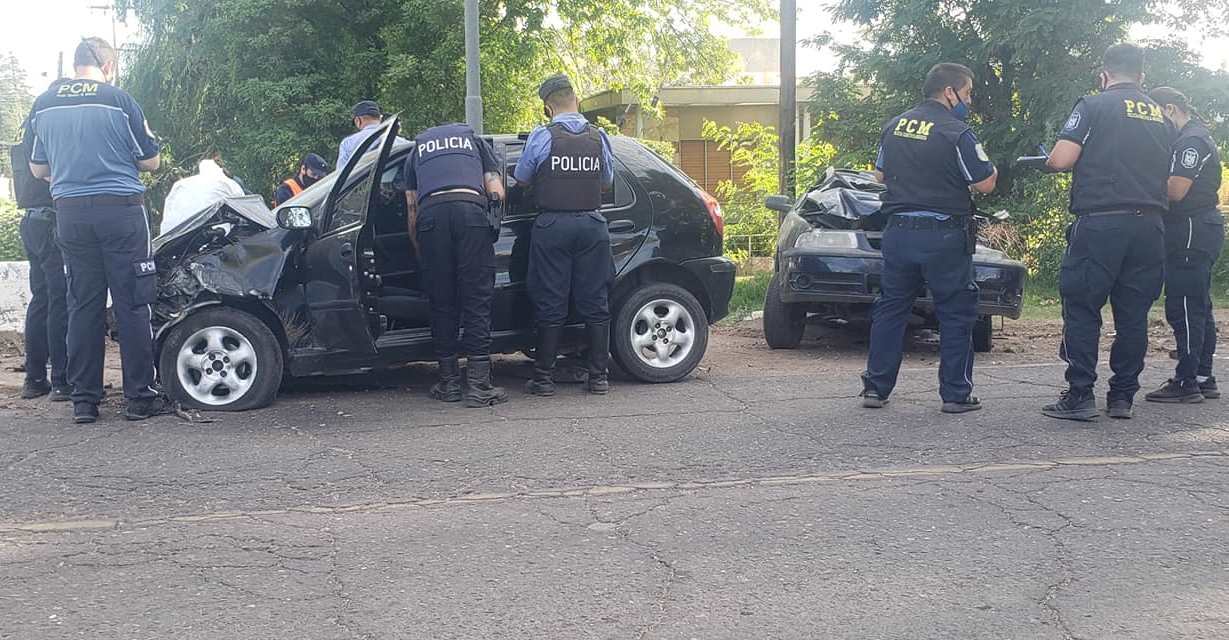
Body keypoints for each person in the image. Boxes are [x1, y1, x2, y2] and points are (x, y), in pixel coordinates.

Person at [27, 37, 168, 424]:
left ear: (75, 65)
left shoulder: (45, 103)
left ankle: (84, 401)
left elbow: (38, 169)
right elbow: (150, 160)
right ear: (108, 66)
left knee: (83, 306)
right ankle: (140, 397)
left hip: (70, 214)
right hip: (121, 213)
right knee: (133, 304)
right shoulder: (119, 100)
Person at [1041, 43, 1171, 421]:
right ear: (1142, 76)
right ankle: (1122, 398)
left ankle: (1080, 395)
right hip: (1150, 225)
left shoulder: (1094, 105)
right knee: (1133, 313)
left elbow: (1061, 159)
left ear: (1104, 74)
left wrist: (1048, 162)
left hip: (1101, 220)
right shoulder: (1160, 115)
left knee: (1082, 307)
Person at [859, 63, 998, 414]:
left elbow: (879, 174)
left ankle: (876, 389)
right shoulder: (956, 131)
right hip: (944, 235)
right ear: (949, 92)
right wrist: (993, 168)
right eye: (966, 93)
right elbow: (984, 183)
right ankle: (955, 394)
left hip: (899, 232)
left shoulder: (896, 125)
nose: (968, 100)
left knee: (891, 308)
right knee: (955, 312)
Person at [513, 74, 616, 397]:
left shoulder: (542, 136)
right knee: (596, 304)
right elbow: (607, 182)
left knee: (550, 302)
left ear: (547, 107)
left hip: (552, 226)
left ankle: (543, 378)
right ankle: (598, 378)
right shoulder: (599, 137)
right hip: (591, 225)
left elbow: (523, 178)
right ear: (576, 99)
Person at [401, 123, 508, 407]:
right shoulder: (474, 142)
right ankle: (478, 386)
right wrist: (491, 224)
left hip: (431, 218)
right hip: (470, 212)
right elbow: (496, 191)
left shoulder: (417, 151)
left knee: (442, 301)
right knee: (476, 299)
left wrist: (418, 245)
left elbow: (412, 206)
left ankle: (449, 384)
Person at [1143, 87, 1224, 404]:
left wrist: (1138, 184)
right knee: (1199, 306)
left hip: (1191, 229)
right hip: (1199, 228)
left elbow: (1176, 190)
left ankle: (1187, 380)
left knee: (1186, 306)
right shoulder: (1193, 136)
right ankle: (1203, 377)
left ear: (1170, 109)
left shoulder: (1190, 141)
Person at [10, 81, 70, 402]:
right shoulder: (51, 124)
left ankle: (35, 378)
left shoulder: (30, 125)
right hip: (52, 220)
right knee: (60, 299)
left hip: (31, 220)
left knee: (41, 299)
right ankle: (62, 379)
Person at [162, 157, 244, 232]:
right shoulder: (228, 183)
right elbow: (245, 209)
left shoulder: (181, 184)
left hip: (172, 238)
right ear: (221, 169)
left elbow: (168, 211)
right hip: (211, 235)